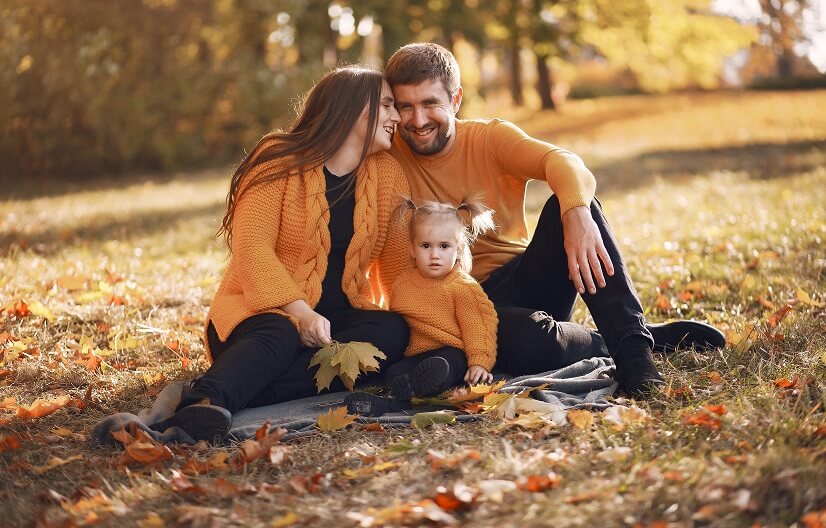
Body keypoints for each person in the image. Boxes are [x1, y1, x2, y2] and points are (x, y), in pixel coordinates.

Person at [383, 43, 726, 396]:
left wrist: (576, 212)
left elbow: (562, 161)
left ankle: (635, 353)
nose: (418, 120)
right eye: (406, 107)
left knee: (579, 205)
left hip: (524, 281)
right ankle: (617, 338)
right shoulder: (386, 153)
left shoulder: (489, 139)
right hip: (454, 303)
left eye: (430, 104)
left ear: (455, 100)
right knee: (529, 342)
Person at [152, 66, 412, 441]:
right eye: (387, 105)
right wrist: (301, 313)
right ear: (351, 108)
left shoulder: (387, 173)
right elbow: (251, 248)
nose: (397, 117)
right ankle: (206, 400)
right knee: (282, 333)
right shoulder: (278, 158)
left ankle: (243, 387)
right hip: (260, 317)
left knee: (391, 330)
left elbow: (400, 267)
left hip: (331, 327)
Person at [345, 195, 498, 416]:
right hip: (416, 356)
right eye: (426, 246)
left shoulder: (462, 287)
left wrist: (479, 362)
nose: (434, 255)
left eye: (444, 246)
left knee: (445, 366)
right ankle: (398, 399)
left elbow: (478, 328)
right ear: (412, 249)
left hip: (452, 351)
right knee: (395, 372)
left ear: (458, 248)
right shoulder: (403, 282)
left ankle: (420, 387)